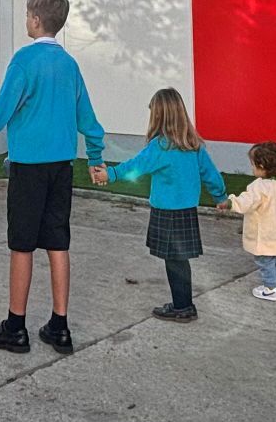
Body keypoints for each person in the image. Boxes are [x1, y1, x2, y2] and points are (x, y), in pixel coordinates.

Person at [0, 0, 106, 355]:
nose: (26, 20)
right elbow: (88, 118)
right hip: (62, 168)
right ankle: (60, 326)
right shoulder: (70, 65)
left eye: (28, 15)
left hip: (29, 169)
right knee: (58, 243)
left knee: (22, 245)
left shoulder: (24, 62)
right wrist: (95, 156)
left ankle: (15, 327)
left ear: (36, 20)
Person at [93, 88, 226, 322]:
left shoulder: (161, 146)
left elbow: (136, 166)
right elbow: (210, 173)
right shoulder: (193, 145)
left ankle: (183, 307)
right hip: (186, 211)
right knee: (179, 260)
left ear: (159, 115)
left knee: (174, 261)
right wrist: (220, 196)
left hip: (167, 212)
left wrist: (110, 174)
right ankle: (183, 304)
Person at [219, 141, 276, 301]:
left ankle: (270, 289)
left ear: (262, 166)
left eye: (253, 164)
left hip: (266, 234)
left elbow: (246, 202)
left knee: (265, 261)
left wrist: (230, 203)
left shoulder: (259, 187)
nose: (252, 168)